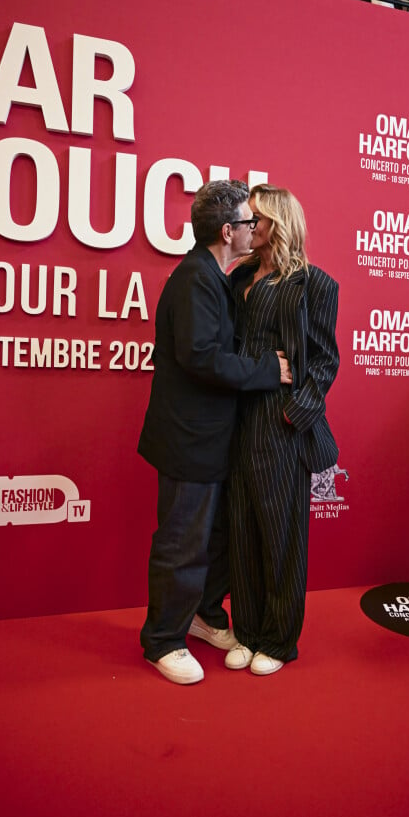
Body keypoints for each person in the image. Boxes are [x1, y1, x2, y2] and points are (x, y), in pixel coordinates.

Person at [138, 179, 293, 685]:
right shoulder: (195, 279)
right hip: (188, 439)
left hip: (211, 437)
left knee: (214, 538)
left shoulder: (216, 274)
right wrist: (270, 370)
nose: (257, 231)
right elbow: (201, 358)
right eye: (250, 223)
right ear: (228, 231)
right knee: (183, 542)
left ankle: (203, 614)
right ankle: (163, 640)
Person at [224, 184, 339, 676]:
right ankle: (247, 632)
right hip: (234, 418)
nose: (248, 227)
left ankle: (278, 638)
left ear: (276, 223)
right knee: (242, 530)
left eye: (256, 219)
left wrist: (295, 415)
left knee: (281, 535)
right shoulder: (239, 277)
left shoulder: (315, 284)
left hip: (280, 422)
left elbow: (326, 361)